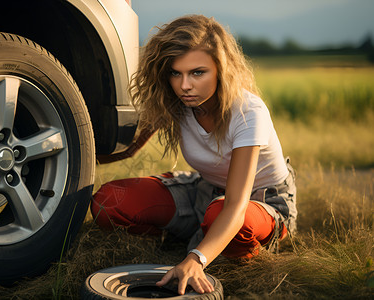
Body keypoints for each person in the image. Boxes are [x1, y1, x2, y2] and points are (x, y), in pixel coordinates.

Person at [92, 14, 297, 295]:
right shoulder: (174, 101)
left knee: (221, 215)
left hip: (259, 201)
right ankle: (192, 237)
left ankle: (210, 246)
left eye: (197, 73)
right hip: (204, 191)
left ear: (221, 70)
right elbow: (128, 149)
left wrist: (196, 259)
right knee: (109, 202)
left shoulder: (248, 111)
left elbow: (235, 206)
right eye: (176, 73)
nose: (184, 85)